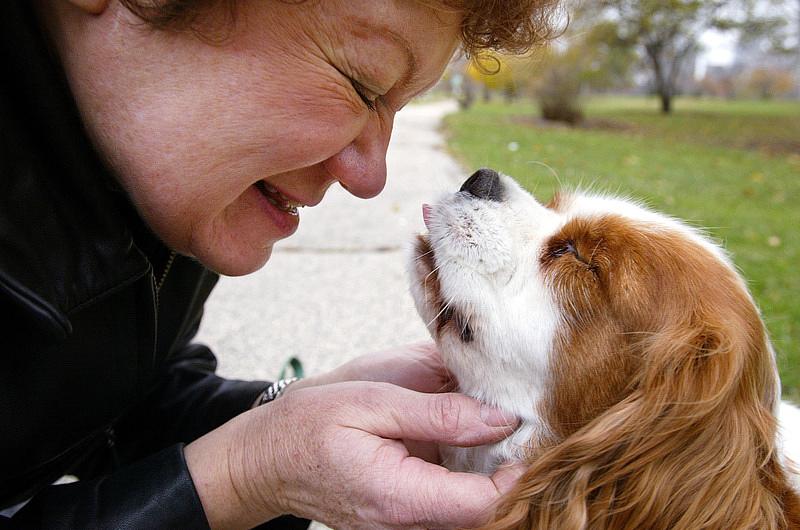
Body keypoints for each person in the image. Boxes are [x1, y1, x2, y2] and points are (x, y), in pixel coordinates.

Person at [0, 0, 558, 528]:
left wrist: (294, 411)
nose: (370, 176)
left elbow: (117, 401)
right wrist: (241, 480)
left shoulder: (156, 177)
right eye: (362, 85)